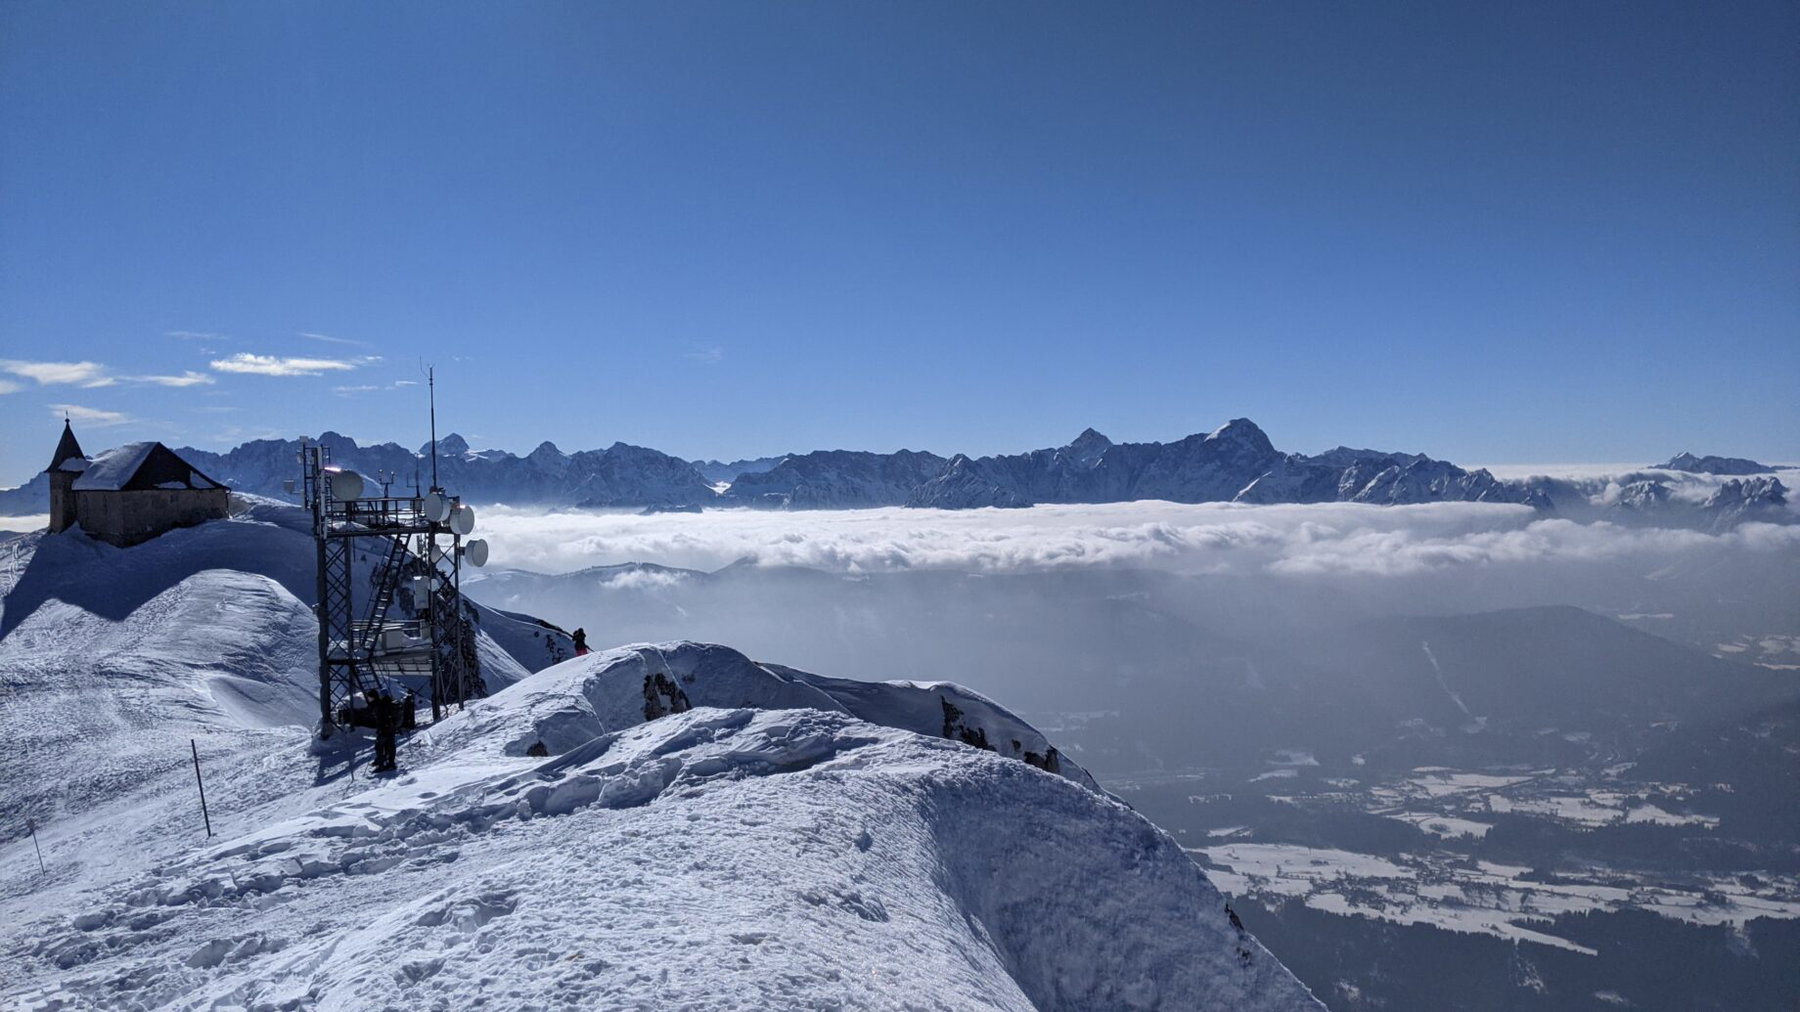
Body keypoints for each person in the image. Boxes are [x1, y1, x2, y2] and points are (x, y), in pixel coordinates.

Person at [371, 689, 397, 772]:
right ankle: (391, 763)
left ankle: (381, 765)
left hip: (384, 729)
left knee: (379, 747)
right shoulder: (392, 703)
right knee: (390, 746)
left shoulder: (381, 705)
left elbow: (380, 718)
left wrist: (380, 729)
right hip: (392, 729)